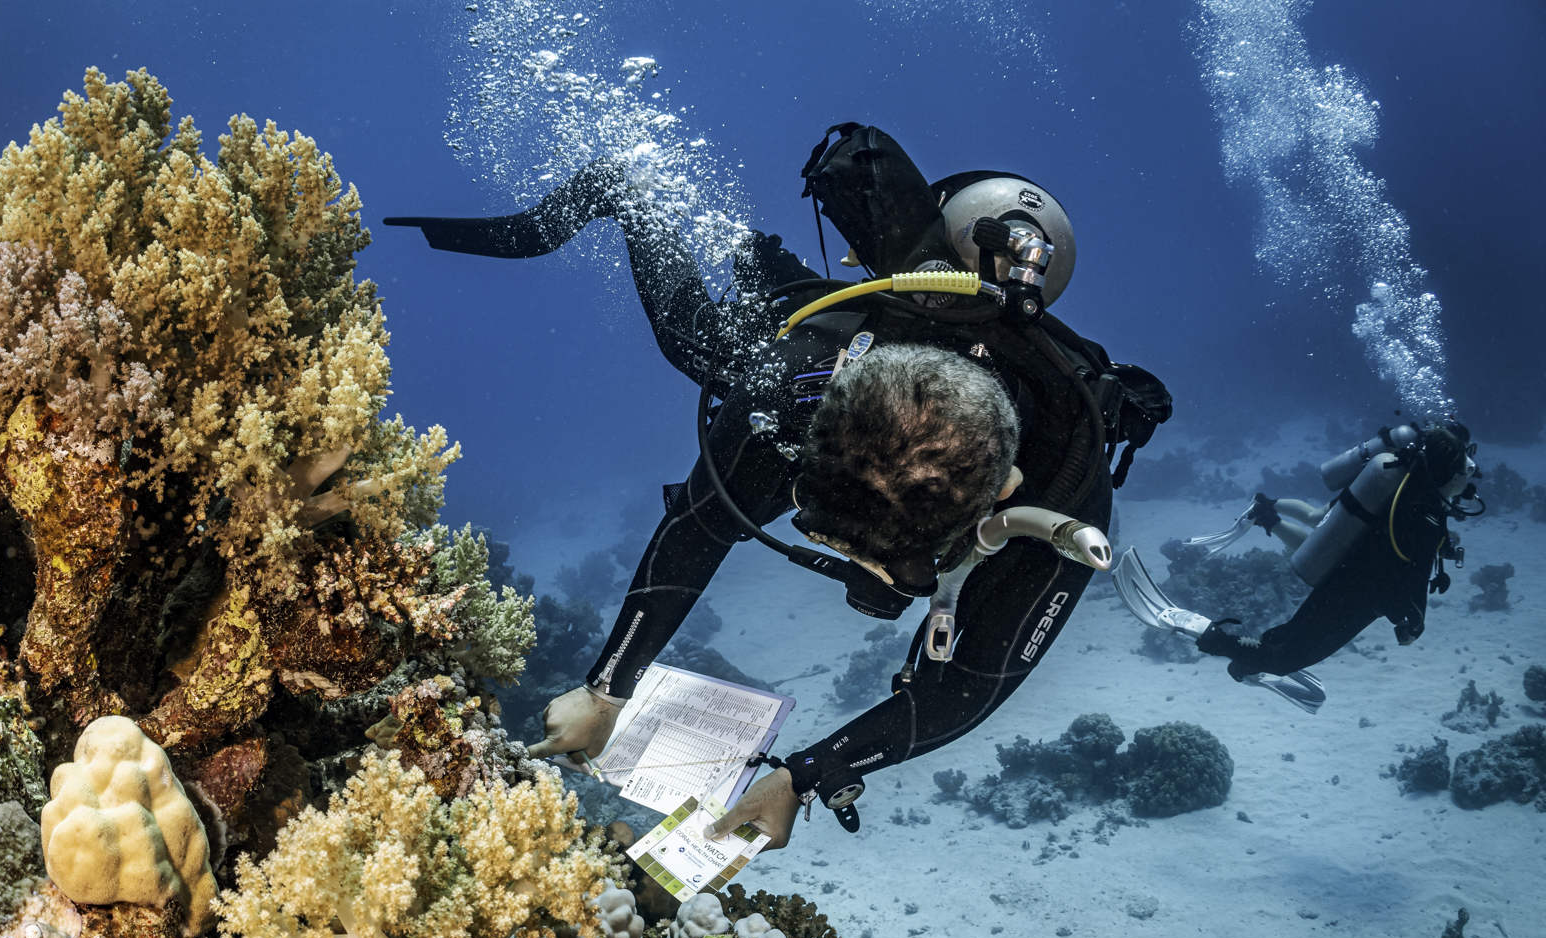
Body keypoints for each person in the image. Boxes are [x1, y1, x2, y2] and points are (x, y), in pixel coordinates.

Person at [387, 123, 1171, 847]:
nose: (858, 573)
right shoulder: (789, 387)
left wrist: (808, 774)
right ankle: (624, 189)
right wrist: (607, 688)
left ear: (998, 499)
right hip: (820, 353)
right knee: (697, 343)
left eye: (895, 556)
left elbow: (973, 686)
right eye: (821, 529)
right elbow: (700, 524)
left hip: (1009, 440)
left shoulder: (1068, 502)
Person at [1185, 420, 1479, 681]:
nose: (1470, 481)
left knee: (1288, 636)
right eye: (1467, 470)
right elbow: (1415, 578)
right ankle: (1213, 638)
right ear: (1452, 476)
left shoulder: (1410, 492)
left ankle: (1245, 661)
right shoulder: (1426, 513)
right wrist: (1415, 624)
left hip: (1344, 579)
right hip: (1358, 599)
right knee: (1283, 661)